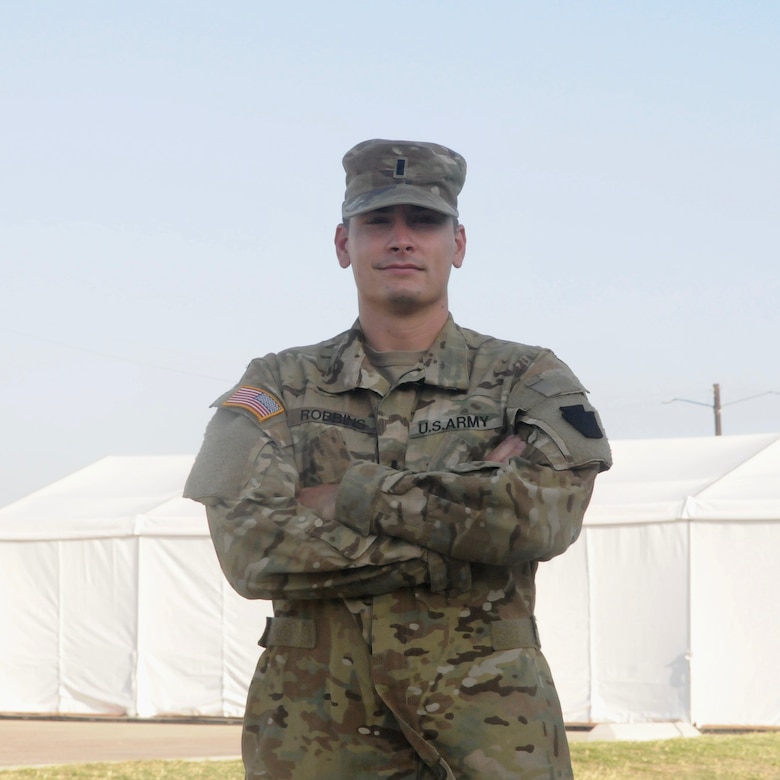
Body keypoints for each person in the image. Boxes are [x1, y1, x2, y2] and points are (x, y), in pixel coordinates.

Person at [184, 138, 612, 779]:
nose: (401, 239)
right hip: (316, 733)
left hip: (493, 732)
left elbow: (542, 521)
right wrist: (465, 533)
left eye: (425, 222)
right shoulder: (278, 382)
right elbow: (252, 552)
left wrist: (351, 495)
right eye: (378, 222)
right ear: (342, 245)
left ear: (458, 245)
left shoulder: (530, 377)